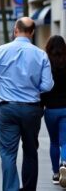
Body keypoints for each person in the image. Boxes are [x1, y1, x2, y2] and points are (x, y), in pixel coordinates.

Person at [0, 17, 53, 191]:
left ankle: (11, 189)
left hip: (8, 107)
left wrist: (8, 86)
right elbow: (47, 85)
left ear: (15, 30)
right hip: (32, 109)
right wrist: (32, 88)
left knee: (8, 153)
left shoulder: (0, 51)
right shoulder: (41, 54)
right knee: (31, 151)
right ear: (32, 32)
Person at [41, 35, 66, 186]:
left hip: (50, 109)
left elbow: (42, 86)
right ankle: (64, 163)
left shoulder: (45, 63)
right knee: (65, 141)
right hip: (65, 108)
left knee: (54, 142)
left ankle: (56, 173)